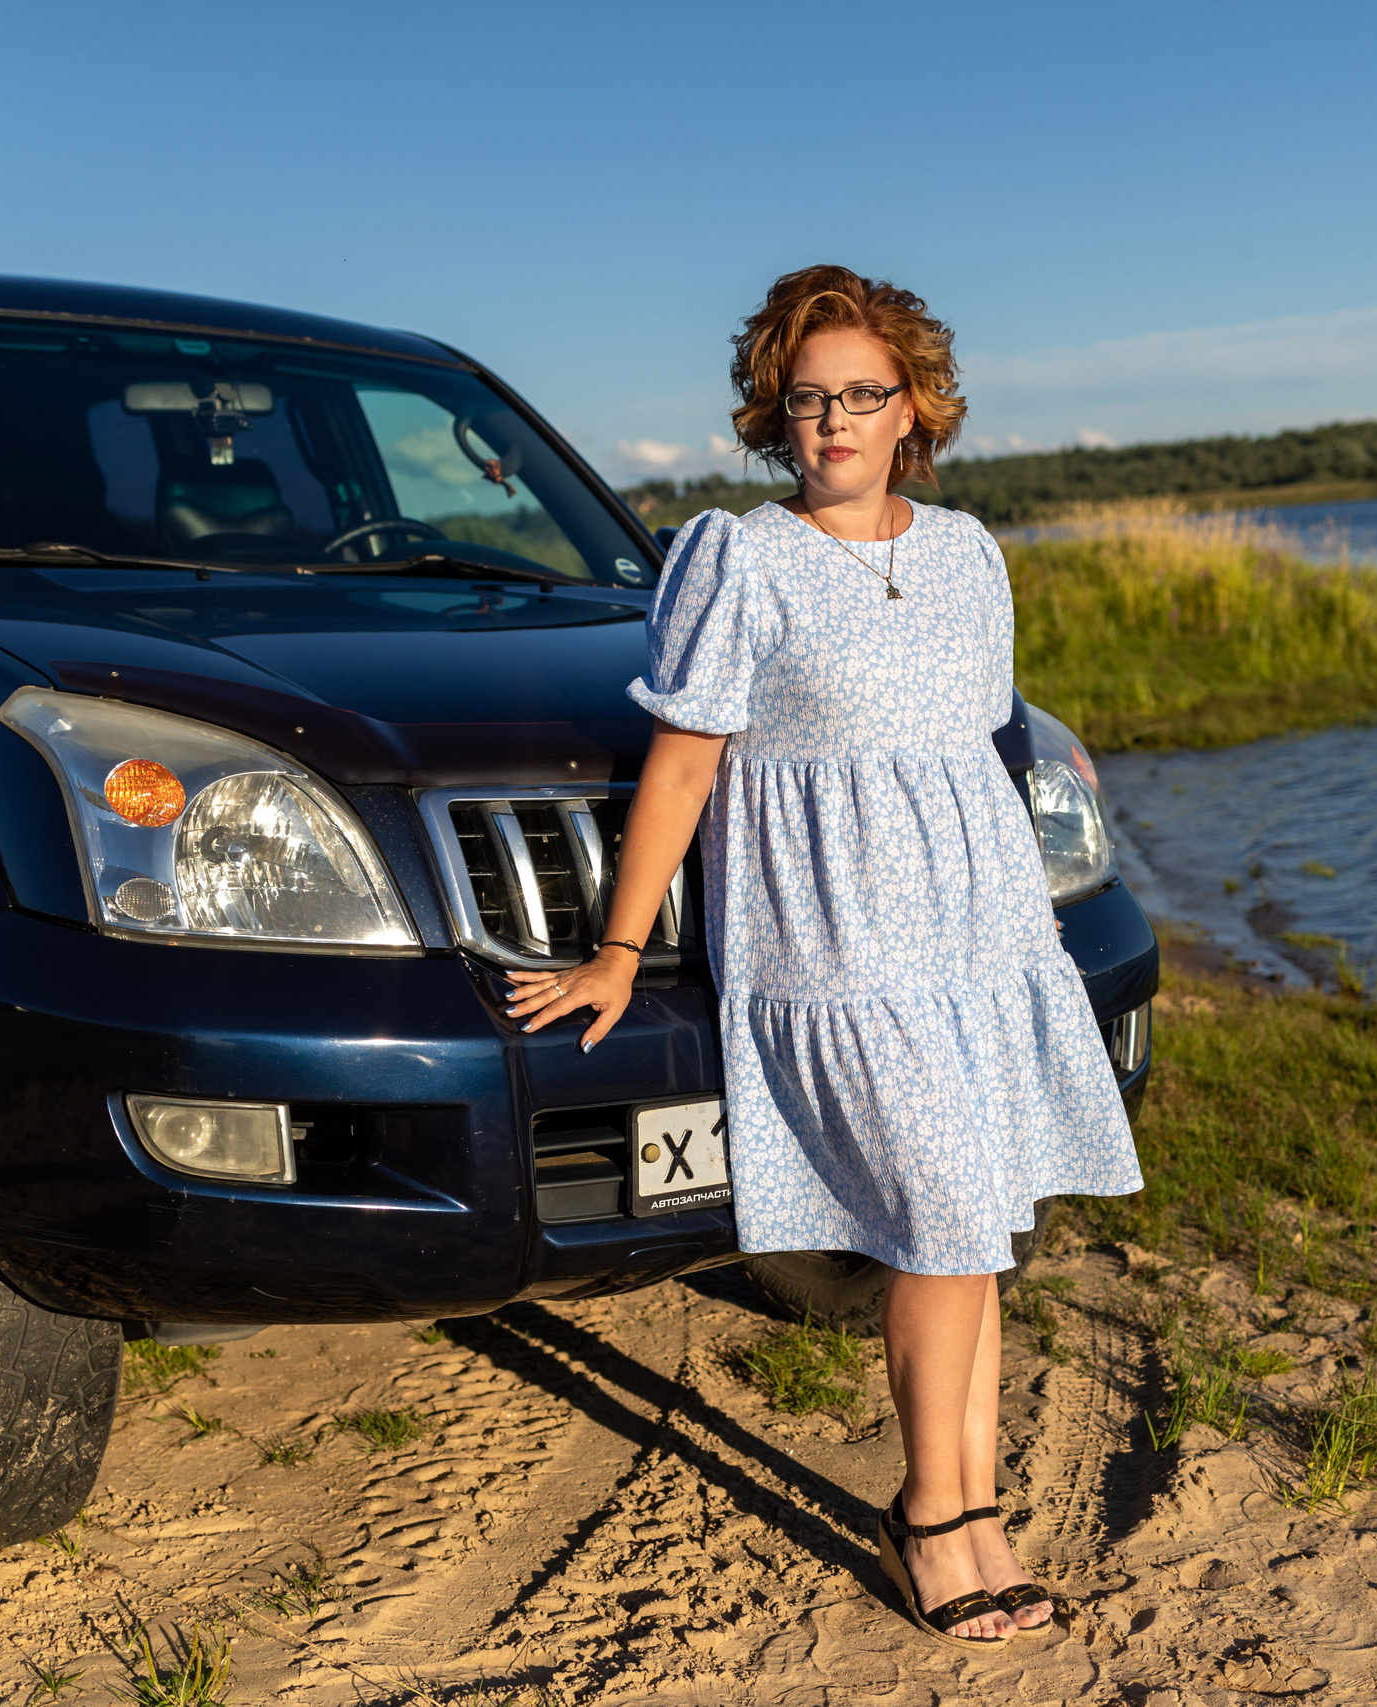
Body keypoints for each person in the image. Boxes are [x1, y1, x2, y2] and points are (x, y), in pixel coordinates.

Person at [505, 263, 1141, 1648]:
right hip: (837, 946)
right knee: (937, 1219)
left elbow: (982, 753)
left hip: (976, 937)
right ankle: (932, 1517)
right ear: (774, 416)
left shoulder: (971, 551)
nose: (834, 422)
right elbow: (683, 768)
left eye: (862, 395)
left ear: (913, 406)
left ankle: (980, 1514)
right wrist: (621, 948)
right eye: (807, 400)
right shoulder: (743, 557)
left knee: (975, 1230)